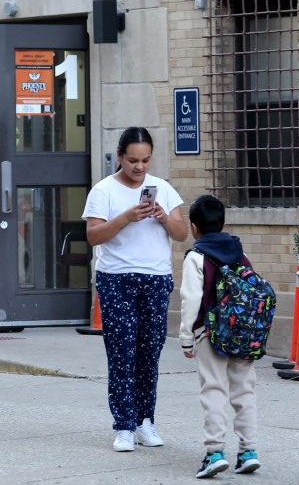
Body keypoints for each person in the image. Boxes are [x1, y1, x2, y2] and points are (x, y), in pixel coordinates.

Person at [82, 126, 188, 452]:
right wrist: (126, 217)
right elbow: (94, 236)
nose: (139, 167)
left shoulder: (163, 189)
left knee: (149, 353)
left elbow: (182, 233)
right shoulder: (104, 191)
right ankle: (124, 426)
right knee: (122, 352)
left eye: (145, 160)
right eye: (132, 160)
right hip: (116, 278)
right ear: (119, 157)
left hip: (155, 278)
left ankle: (146, 422)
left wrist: (163, 218)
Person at [179, 194, 261, 478]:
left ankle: (214, 453)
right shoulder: (241, 252)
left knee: (214, 391)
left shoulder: (196, 257)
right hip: (243, 335)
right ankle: (248, 451)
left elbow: (191, 301)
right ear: (223, 223)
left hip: (210, 335)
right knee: (244, 392)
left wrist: (186, 338)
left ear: (194, 227)